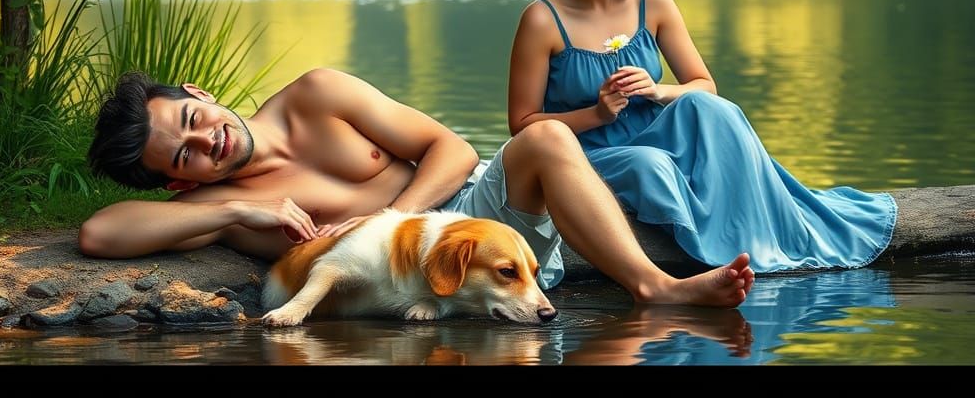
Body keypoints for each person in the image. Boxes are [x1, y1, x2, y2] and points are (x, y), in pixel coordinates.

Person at [82, 69, 754, 308]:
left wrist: (389, 218)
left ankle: (653, 288)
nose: (209, 141)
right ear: (180, 179)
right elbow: (98, 233)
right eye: (188, 155)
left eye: (193, 120)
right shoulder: (211, 207)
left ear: (199, 94)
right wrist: (237, 205)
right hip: (409, 275)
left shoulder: (316, 95)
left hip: (468, 210)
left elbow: (453, 151)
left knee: (548, 138)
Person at [508, 0, 897, 274]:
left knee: (712, 108)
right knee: (651, 164)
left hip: (659, 135)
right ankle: (722, 261)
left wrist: (658, 91)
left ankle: (764, 236)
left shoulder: (652, 1)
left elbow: (703, 84)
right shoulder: (542, 20)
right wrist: (597, 113)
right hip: (587, 156)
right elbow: (522, 125)